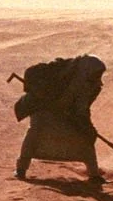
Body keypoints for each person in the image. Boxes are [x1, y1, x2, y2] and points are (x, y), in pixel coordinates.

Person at [15, 55, 108, 186]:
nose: (98, 79)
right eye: (97, 74)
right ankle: (21, 169)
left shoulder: (90, 85)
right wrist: (46, 96)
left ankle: (94, 174)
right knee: (36, 131)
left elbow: (82, 109)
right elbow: (33, 84)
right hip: (41, 107)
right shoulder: (57, 74)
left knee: (86, 136)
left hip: (66, 111)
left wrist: (87, 126)